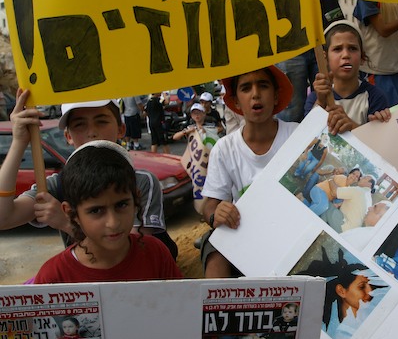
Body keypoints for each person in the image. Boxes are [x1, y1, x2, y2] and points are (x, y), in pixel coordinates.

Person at [0, 92, 178, 260]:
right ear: (68, 136)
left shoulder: (141, 181)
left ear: (121, 129)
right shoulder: (57, 185)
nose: (92, 132)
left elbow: (126, 254)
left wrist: (66, 223)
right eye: (80, 124)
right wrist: (19, 142)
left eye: (101, 121)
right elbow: (4, 217)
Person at [33, 141, 183, 283]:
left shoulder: (156, 254)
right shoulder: (54, 277)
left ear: (136, 200)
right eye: (96, 210)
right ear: (71, 212)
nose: (113, 222)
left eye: (121, 205)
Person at [199, 66, 297, 278]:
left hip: (292, 237)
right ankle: (218, 310)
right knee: (215, 244)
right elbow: (210, 205)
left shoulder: (297, 136)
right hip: (245, 241)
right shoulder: (224, 149)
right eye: (246, 88)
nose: (255, 94)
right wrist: (217, 214)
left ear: (276, 95)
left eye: (263, 85)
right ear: (235, 102)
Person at [305, 20, 390, 133]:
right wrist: (321, 102)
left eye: (352, 48)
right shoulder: (315, 98)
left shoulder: (375, 97)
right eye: (337, 49)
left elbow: (377, 143)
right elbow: (307, 138)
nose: (345, 55)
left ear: (362, 57)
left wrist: (351, 126)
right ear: (324, 58)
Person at [297, 248, 388, 339]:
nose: (370, 292)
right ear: (341, 291)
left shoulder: (378, 309)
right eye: (362, 287)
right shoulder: (343, 337)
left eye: (371, 285)